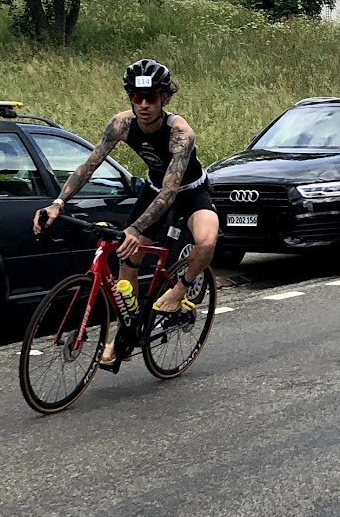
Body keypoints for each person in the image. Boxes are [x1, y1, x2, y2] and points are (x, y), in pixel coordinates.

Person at [34, 57, 219, 366]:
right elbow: (88, 166)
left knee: (206, 240)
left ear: (165, 99)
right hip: (153, 188)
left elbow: (171, 191)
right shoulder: (121, 124)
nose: (143, 104)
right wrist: (58, 203)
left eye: (151, 98)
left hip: (189, 192)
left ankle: (180, 290)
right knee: (126, 261)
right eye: (136, 97)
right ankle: (128, 331)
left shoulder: (180, 134)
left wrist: (135, 229)